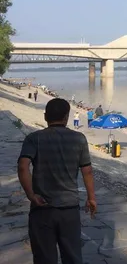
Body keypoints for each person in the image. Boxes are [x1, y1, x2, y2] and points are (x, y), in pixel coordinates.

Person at [17, 98, 97, 264]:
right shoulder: (79, 138)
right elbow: (87, 170)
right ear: (67, 117)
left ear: (45, 116)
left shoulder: (34, 138)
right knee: (73, 257)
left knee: (44, 258)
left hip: (42, 209)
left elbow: (23, 167)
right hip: (69, 210)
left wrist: (31, 195)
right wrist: (91, 198)